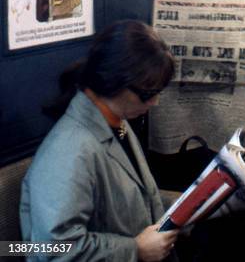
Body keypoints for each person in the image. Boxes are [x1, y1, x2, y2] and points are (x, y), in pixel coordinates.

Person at [21, 20, 179, 261]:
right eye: (147, 94)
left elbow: (134, 202)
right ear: (114, 81)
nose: (154, 103)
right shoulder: (69, 150)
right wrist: (134, 250)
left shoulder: (117, 121)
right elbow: (51, 249)